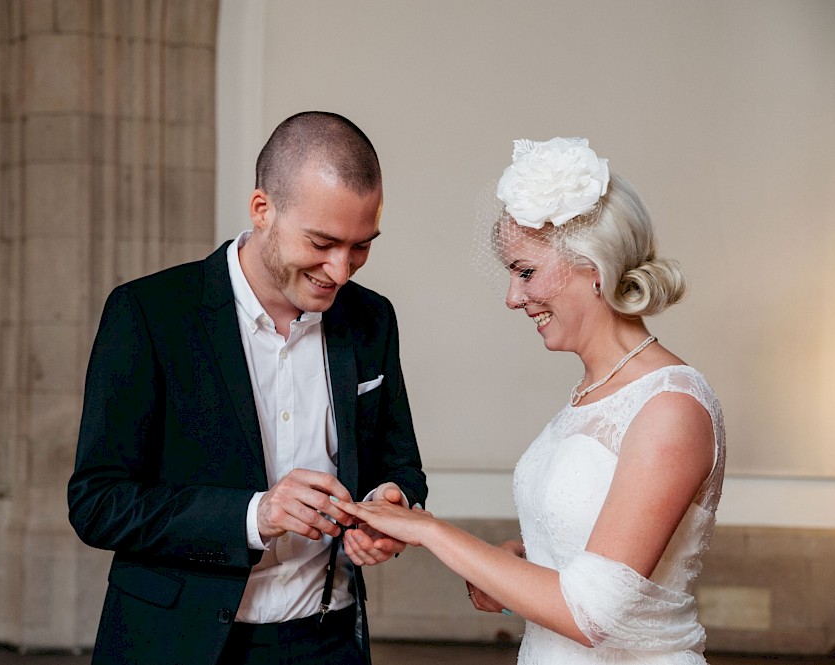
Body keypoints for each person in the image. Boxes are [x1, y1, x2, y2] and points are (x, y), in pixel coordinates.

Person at [338, 137, 726, 664]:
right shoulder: (591, 392)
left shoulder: (671, 406)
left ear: (595, 269)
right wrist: (509, 567)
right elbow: (586, 556)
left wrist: (429, 530)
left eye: (525, 271)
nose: (512, 297)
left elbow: (591, 613)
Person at [68, 111, 427, 665]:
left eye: (361, 245)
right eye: (323, 242)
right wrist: (253, 516)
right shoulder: (149, 314)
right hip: (179, 644)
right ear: (262, 209)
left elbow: (399, 464)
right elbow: (97, 502)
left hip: (329, 642)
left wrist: (392, 505)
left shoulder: (373, 319)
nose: (342, 269)